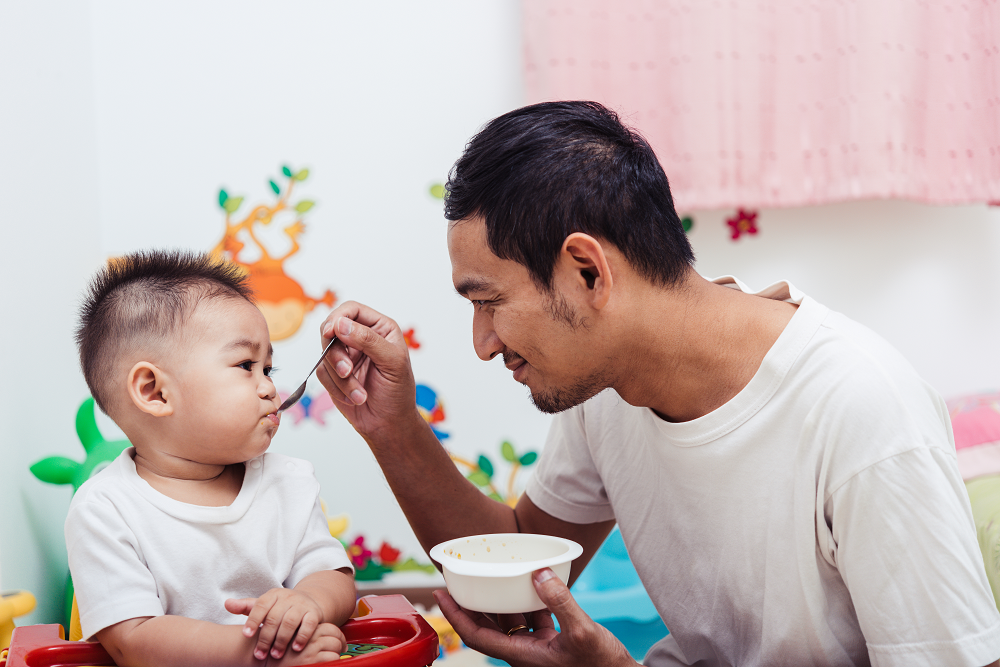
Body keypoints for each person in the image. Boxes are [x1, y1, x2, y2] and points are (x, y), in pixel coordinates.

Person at [315, 101, 1000, 666]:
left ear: (588, 272)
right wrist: (394, 428)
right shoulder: (608, 390)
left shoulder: (862, 409)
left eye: (488, 301)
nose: (484, 343)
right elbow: (515, 598)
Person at [67, 250, 356, 667]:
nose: (270, 389)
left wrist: (307, 602)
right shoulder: (104, 509)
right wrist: (257, 655)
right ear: (154, 391)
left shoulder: (289, 481)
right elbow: (133, 639)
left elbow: (332, 573)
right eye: (246, 365)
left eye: (268, 370)